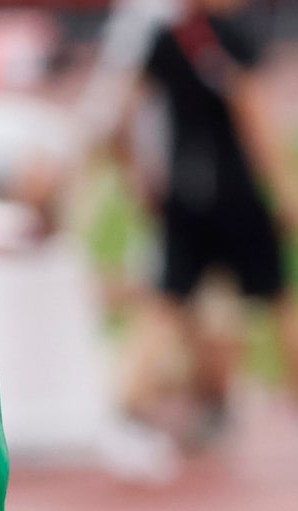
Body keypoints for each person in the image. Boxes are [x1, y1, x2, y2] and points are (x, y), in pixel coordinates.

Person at [117, 0, 298, 442]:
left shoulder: (165, 39)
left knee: (169, 300)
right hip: (238, 196)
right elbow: (252, 117)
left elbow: (126, 115)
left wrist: (141, 177)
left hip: (183, 194)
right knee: (278, 302)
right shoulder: (231, 38)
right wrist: (283, 193)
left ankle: (132, 400)